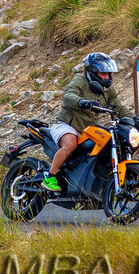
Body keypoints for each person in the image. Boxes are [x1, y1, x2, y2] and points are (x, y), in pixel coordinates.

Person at [43, 51, 130, 192]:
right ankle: (50, 176)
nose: (106, 77)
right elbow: (68, 95)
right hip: (67, 126)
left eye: (108, 74)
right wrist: (81, 101)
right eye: (103, 73)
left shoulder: (107, 89)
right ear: (92, 71)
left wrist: (135, 119)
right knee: (70, 144)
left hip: (87, 131)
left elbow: (118, 107)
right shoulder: (80, 81)